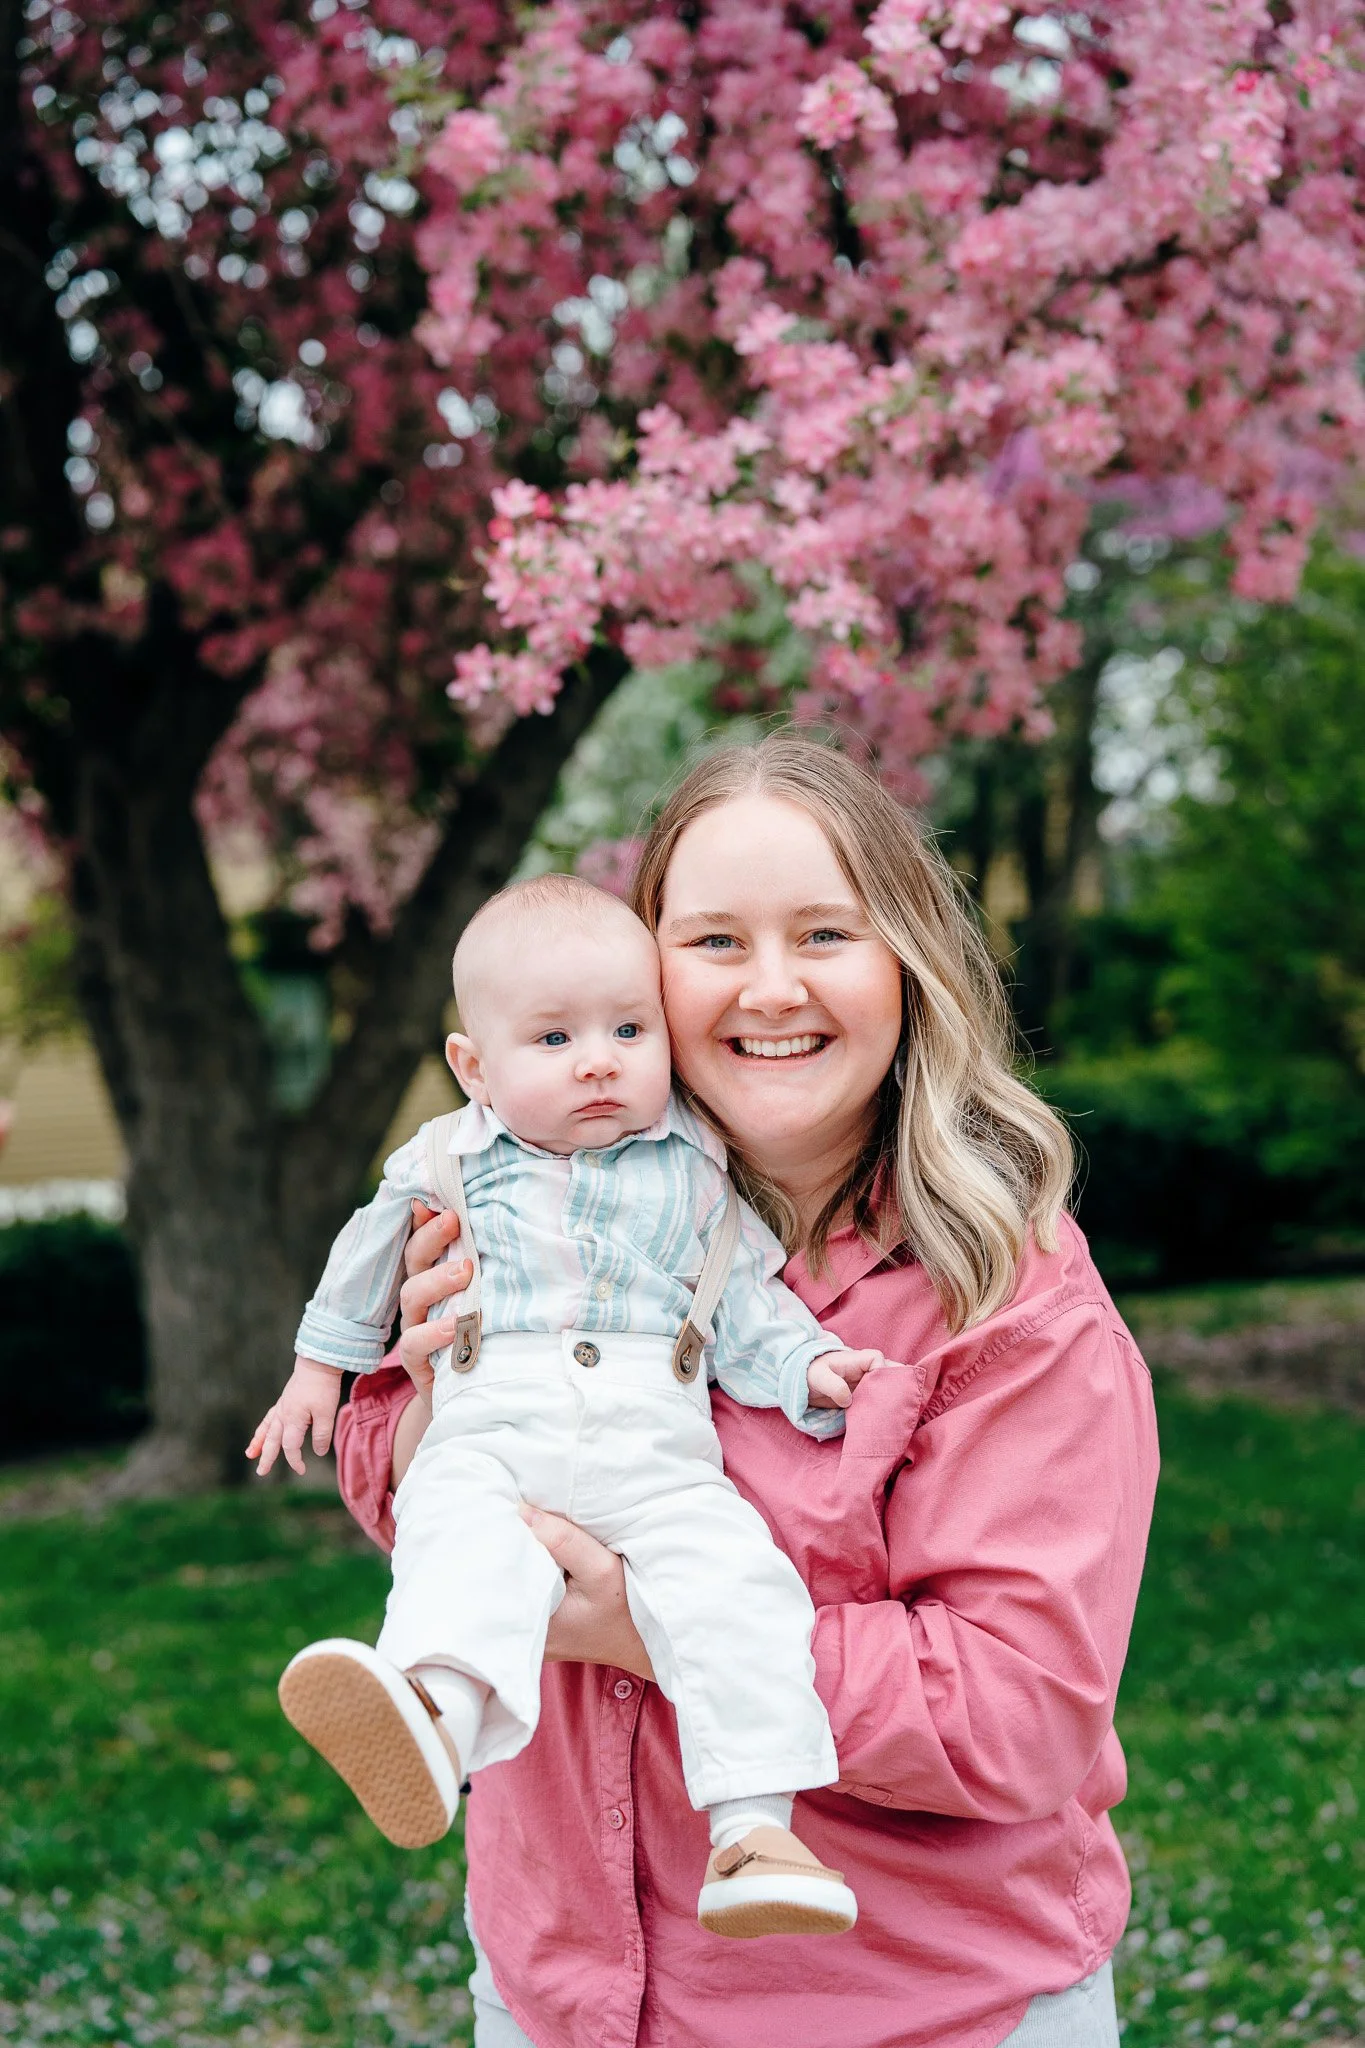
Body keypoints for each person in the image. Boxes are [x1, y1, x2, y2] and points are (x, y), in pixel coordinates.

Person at [336, 733, 1160, 2048]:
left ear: (906, 964)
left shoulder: (1009, 1299)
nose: (768, 989)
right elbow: (428, 1514)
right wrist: (437, 1405)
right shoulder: (509, 1204)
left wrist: (642, 1624)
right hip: (559, 1993)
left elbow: (1015, 1714)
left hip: (910, 2009)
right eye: (714, 941)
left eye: (824, 934)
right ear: (639, 966)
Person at [251, 874, 880, 1937]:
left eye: (629, 1028)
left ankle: (756, 1827)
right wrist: (320, 1366)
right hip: (499, 1416)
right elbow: (366, 1254)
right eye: (553, 1038)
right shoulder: (450, 1156)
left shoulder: (700, 1167)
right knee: (462, 1537)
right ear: (474, 1065)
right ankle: (433, 1716)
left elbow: (743, 1295)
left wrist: (808, 1366)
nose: (598, 1058)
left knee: (735, 1586)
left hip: (659, 1445)